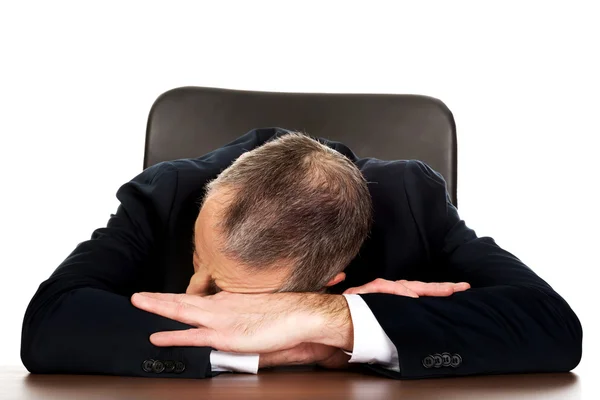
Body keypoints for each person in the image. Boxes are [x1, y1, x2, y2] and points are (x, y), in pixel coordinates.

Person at [21, 128, 582, 379]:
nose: (199, 289)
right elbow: (48, 325)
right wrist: (276, 349)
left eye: (235, 299)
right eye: (200, 257)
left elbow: (552, 326)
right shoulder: (166, 193)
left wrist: (325, 317)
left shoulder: (413, 202)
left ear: (331, 276)